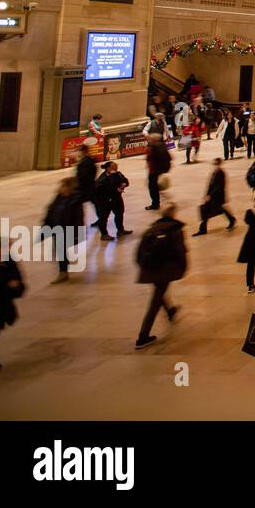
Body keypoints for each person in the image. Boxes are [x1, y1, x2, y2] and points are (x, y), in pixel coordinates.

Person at [134, 203, 186, 349]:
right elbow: (180, 251)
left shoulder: (151, 230)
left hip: (150, 269)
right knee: (155, 302)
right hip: (164, 270)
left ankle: (170, 311)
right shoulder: (175, 230)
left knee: (159, 292)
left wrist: (143, 266)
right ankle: (143, 336)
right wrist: (182, 267)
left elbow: (138, 253)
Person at [42, 177, 84, 283]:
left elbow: (78, 219)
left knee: (61, 250)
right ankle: (63, 270)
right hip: (56, 228)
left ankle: (63, 272)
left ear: (69, 187)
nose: (61, 188)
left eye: (64, 186)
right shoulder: (59, 197)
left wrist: (76, 234)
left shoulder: (75, 201)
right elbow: (50, 211)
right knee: (59, 250)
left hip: (67, 230)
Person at [93, 160, 132, 241]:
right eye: (113, 166)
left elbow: (125, 180)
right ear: (108, 168)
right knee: (103, 218)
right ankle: (104, 234)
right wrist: (116, 190)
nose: (116, 167)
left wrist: (125, 184)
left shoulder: (118, 174)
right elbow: (101, 189)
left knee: (119, 214)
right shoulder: (102, 179)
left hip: (116, 199)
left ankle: (120, 230)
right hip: (105, 201)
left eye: (116, 166)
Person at [144, 133, 171, 210]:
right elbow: (169, 158)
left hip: (154, 170)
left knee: (152, 187)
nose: (148, 140)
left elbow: (151, 158)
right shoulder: (162, 145)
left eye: (149, 139)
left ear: (153, 140)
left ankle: (155, 204)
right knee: (154, 186)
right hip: (157, 170)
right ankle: (156, 201)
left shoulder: (154, 147)